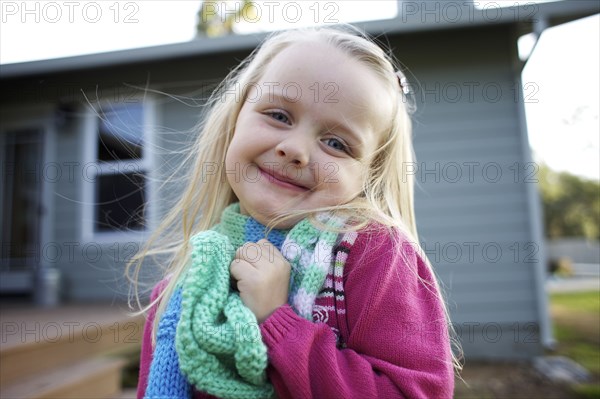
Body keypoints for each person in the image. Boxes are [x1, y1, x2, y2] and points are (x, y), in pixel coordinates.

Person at [130, 25, 459, 399]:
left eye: (335, 143)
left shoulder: (373, 255)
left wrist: (277, 322)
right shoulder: (185, 288)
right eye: (279, 116)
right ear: (236, 117)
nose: (296, 149)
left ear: (369, 174)